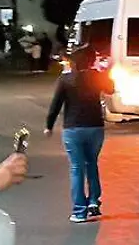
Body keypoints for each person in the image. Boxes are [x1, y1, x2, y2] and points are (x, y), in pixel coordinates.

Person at [44, 45, 114, 223]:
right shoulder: (98, 77)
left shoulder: (66, 79)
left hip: (73, 128)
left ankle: (79, 211)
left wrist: (49, 126)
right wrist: (105, 71)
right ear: (91, 61)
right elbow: (111, 89)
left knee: (77, 168)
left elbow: (56, 104)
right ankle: (93, 201)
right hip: (95, 127)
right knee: (92, 164)